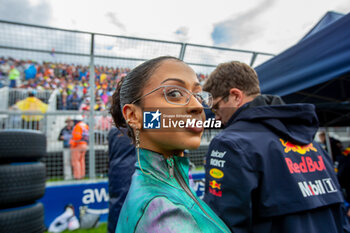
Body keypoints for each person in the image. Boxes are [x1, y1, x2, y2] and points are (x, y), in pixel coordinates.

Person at [203, 61, 350, 233]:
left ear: (236, 96)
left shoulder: (229, 143)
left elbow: (224, 225)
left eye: (215, 108)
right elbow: (340, 216)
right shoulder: (311, 143)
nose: (216, 117)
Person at [110, 56, 230, 233]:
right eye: (174, 93)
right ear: (134, 116)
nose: (198, 106)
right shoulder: (163, 212)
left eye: (198, 95)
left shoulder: (162, 185)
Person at [107, 127, 136, 233]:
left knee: (117, 204)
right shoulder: (136, 129)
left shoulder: (113, 132)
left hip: (116, 171)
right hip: (129, 171)